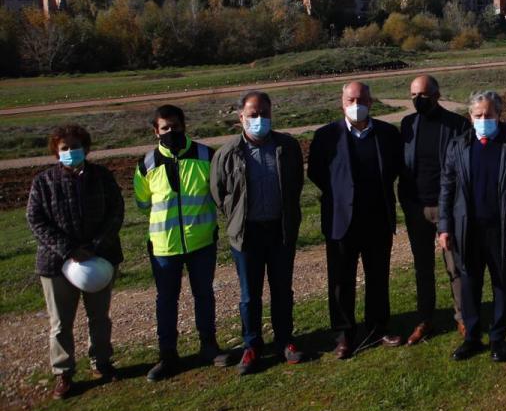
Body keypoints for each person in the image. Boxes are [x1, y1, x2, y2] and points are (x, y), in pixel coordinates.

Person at [211, 91, 306, 375]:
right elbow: (219, 192)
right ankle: (251, 344)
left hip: (280, 229)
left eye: (264, 113)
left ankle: (285, 340)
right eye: (253, 115)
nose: (259, 119)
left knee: (281, 289)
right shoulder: (228, 152)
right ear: (241, 117)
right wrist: (238, 218)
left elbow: (295, 184)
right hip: (247, 233)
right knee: (249, 294)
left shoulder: (287, 146)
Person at [307, 81, 404, 359]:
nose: (356, 105)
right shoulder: (326, 135)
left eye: (361, 99)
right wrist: (341, 193)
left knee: (378, 276)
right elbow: (316, 172)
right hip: (341, 219)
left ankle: (378, 327)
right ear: (342, 103)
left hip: (377, 218)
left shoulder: (386, 134)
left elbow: (395, 167)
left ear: (371, 102)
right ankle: (343, 335)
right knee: (340, 280)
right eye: (350, 100)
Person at [26, 125, 124, 399]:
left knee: (100, 316)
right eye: (65, 148)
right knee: (60, 321)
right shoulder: (43, 182)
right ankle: (64, 372)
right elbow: (35, 220)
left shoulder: (102, 177)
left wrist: (94, 246)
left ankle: (102, 363)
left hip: (100, 259)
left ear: (86, 148)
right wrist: (68, 249)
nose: (71, 151)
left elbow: (116, 211)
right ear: (56, 152)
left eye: (76, 146)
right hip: (56, 264)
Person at [134, 105, 229, 381]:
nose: (170, 132)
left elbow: (218, 193)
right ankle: (168, 355)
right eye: (164, 128)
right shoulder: (146, 164)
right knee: (166, 300)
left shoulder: (206, 155)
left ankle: (209, 346)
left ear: (184, 125)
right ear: (156, 131)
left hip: (201, 243)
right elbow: (143, 203)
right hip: (164, 247)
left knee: (204, 295)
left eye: (175, 126)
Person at [438, 90, 506, 363]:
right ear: (470, 116)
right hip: (468, 228)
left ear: (499, 115)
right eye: (478, 115)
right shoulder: (458, 146)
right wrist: (444, 226)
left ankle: (498, 339)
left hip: (501, 227)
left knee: (502, 282)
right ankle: (471, 338)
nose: (483, 119)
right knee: (469, 283)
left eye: (489, 115)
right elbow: (447, 188)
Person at [388, 74, 471, 347]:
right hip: (416, 207)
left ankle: (462, 316)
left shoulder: (457, 124)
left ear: (436, 94)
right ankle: (425, 318)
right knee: (422, 267)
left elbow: (463, 168)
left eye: (422, 95)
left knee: (455, 265)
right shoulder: (408, 124)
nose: (417, 100)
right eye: (412, 95)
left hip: (448, 208)